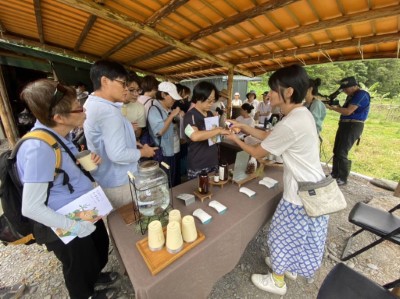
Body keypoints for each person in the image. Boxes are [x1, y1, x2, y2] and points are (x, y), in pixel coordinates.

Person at [226, 64, 328, 296]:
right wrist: (243, 126)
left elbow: (258, 152)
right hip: (311, 187)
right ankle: (288, 267)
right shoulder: (301, 114)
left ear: (289, 92)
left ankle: (278, 281)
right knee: (297, 234)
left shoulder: (293, 121)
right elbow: (270, 135)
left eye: (273, 90)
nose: (269, 94)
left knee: (280, 235)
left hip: (300, 192)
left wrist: (235, 138)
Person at [18, 79, 117, 299]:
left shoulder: (59, 133)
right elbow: (31, 207)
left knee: (97, 249)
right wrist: (73, 226)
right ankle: (85, 294)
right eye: (79, 107)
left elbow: (61, 168)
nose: (84, 110)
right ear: (59, 117)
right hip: (64, 220)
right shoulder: (37, 148)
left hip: (82, 208)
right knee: (77, 265)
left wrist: (83, 163)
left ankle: (94, 277)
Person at [84, 60, 157, 209]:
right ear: (105, 81)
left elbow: (106, 138)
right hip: (119, 182)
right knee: (128, 223)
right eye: (122, 84)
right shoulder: (108, 111)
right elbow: (117, 155)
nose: (125, 89)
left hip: (106, 177)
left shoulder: (93, 103)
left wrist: (130, 139)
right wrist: (144, 152)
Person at [326, 76, 370, 186]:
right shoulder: (351, 96)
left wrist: (333, 108)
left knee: (342, 151)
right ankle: (334, 174)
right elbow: (344, 110)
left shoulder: (361, 94)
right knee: (336, 150)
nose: (344, 90)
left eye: (346, 88)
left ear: (355, 86)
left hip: (353, 124)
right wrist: (336, 106)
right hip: (345, 124)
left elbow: (348, 111)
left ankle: (342, 178)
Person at [183, 82, 231, 179]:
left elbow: (213, 138)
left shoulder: (209, 113)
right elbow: (194, 136)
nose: (211, 104)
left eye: (213, 101)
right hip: (198, 165)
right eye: (208, 101)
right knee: (201, 191)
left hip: (213, 161)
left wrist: (222, 132)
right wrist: (218, 131)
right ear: (198, 97)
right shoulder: (190, 116)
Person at [148, 82, 182, 187]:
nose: (174, 100)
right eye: (172, 97)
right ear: (163, 95)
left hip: (174, 150)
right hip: (164, 153)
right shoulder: (154, 110)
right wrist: (172, 116)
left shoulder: (168, 109)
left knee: (175, 181)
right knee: (166, 183)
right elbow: (159, 131)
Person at [121, 72, 146, 139]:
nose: (136, 94)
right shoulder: (112, 104)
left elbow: (137, 135)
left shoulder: (140, 107)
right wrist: (128, 127)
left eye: (138, 90)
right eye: (131, 90)